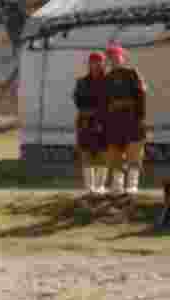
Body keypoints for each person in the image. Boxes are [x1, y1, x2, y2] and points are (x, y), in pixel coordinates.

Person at [102, 41, 147, 196]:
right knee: (115, 155)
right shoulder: (106, 78)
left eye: (116, 56)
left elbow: (141, 95)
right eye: (111, 56)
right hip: (114, 122)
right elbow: (104, 102)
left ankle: (132, 186)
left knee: (134, 153)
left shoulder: (132, 73)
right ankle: (117, 186)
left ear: (122, 57)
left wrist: (140, 117)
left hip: (132, 119)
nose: (114, 59)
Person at [73, 51, 108, 196]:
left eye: (98, 61)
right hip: (85, 121)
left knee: (102, 154)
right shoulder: (81, 82)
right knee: (86, 153)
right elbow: (78, 100)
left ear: (103, 63)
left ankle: (100, 186)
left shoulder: (108, 81)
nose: (95, 64)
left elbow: (108, 101)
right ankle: (89, 187)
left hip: (104, 121)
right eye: (93, 61)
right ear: (89, 64)